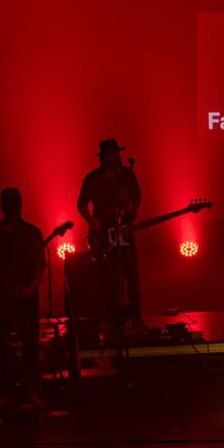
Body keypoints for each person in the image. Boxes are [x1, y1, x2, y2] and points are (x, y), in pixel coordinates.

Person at [0, 187, 46, 409]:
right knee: (0, 343)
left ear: (20, 204)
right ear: (2, 205)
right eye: (8, 202)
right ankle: (3, 389)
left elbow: (39, 266)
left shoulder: (32, 233)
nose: (12, 206)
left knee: (29, 343)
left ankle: (30, 389)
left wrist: (31, 289)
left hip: (24, 296)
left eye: (15, 201)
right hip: (0, 296)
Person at [77, 138, 144, 330]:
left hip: (124, 229)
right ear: (103, 157)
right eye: (111, 154)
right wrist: (92, 221)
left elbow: (138, 196)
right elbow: (81, 204)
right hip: (103, 232)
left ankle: (136, 316)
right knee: (107, 274)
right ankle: (109, 316)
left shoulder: (127, 174)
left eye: (117, 153)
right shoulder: (92, 178)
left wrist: (132, 215)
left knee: (132, 272)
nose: (115, 157)